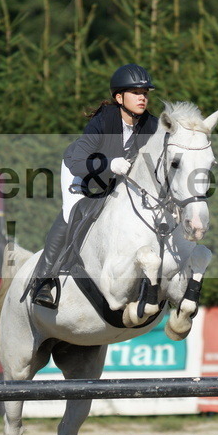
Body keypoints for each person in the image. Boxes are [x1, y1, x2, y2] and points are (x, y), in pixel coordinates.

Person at [29, 63, 160, 308]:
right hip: (81, 174)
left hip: (115, 182)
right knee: (73, 215)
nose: (142, 97)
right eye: (135, 92)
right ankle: (43, 281)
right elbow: (78, 162)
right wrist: (110, 164)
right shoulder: (104, 120)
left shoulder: (151, 125)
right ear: (119, 97)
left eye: (145, 93)